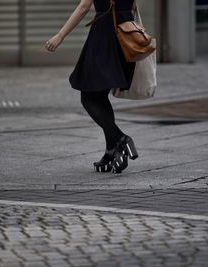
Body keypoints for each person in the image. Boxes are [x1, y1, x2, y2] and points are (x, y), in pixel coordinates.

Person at [46, 0, 139, 173]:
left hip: (105, 35)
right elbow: (133, 6)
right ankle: (111, 151)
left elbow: (83, 7)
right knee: (99, 96)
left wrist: (60, 35)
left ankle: (121, 139)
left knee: (88, 97)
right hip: (126, 35)